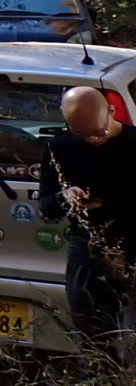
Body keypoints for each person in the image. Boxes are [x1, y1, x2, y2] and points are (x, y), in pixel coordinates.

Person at [41, 85, 136, 359]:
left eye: (99, 132)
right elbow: (46, 207)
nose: (93, 140)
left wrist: (110, 203)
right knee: (94, 345)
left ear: (112, 112)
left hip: (131, 243)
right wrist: (65, 196)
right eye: (82, 135)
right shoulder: (60, 147)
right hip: (88, 249)